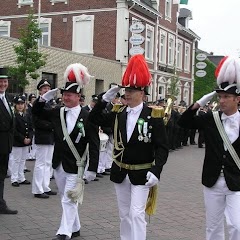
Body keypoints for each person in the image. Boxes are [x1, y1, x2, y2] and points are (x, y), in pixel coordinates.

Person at [88, 54, 169, 240]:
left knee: (137, 214)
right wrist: (104, 100)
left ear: (142, 93)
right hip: (120, 171)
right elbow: (93, 119)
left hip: (142, 172)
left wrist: (156, 171)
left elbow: (162, 147)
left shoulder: (153, 116)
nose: (128, 93)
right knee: (124, 214)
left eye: (132, 90)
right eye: (126, 90)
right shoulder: (118, 113)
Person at [32, 63, 99, 240]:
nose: (65, 98)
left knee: (68, 198)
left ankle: (64, 232)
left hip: (76, 165)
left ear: (78, 96)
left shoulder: (88, 116)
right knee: (66, 196)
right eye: (64, 95)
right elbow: (36, 113)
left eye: (69, 95)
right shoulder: (57, 112)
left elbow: (94, 143)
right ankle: (75, 227)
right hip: (59, 163)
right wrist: (43, 98)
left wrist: (92, 168)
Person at [178, 56, 240, 240]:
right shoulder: (211, 118)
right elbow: (184, 122)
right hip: (213, 181)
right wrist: (198, 104)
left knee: (236, 225)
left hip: (236, 182)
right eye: (220, 97)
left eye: (227, 97)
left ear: (237, 99)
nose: (222, 101)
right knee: (213, 228)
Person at [32, 79, 56, 199]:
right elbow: (36, 121)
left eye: (48, 88)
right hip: (43, 135)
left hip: (50, 136)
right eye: (44, 88)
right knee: (40, 163)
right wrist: (51, 126)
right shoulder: (38, 103)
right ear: (40, 91)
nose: (46, 90)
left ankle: (45, 186)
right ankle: (37, 189)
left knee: (48, 163)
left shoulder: (51, 102)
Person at [0, 69, 18, 214]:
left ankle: (1, 203)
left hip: (5, 144)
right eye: (0, 81)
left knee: (1, 175)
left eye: (5, 81)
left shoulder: (7, 98)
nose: (3, 84)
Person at [10, 95, 33, 187]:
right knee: (16, 160)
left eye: (22, 104)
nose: (20, 106)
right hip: (18, 142)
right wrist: (23, 138)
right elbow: (14, 130)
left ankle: (21, 177)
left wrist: (29, 138)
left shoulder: (27, 115)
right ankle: (14, 178)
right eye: (18, 104)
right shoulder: (14, 116)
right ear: (15, 105)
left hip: (26, 141)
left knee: (23, 160)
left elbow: (31, 128)